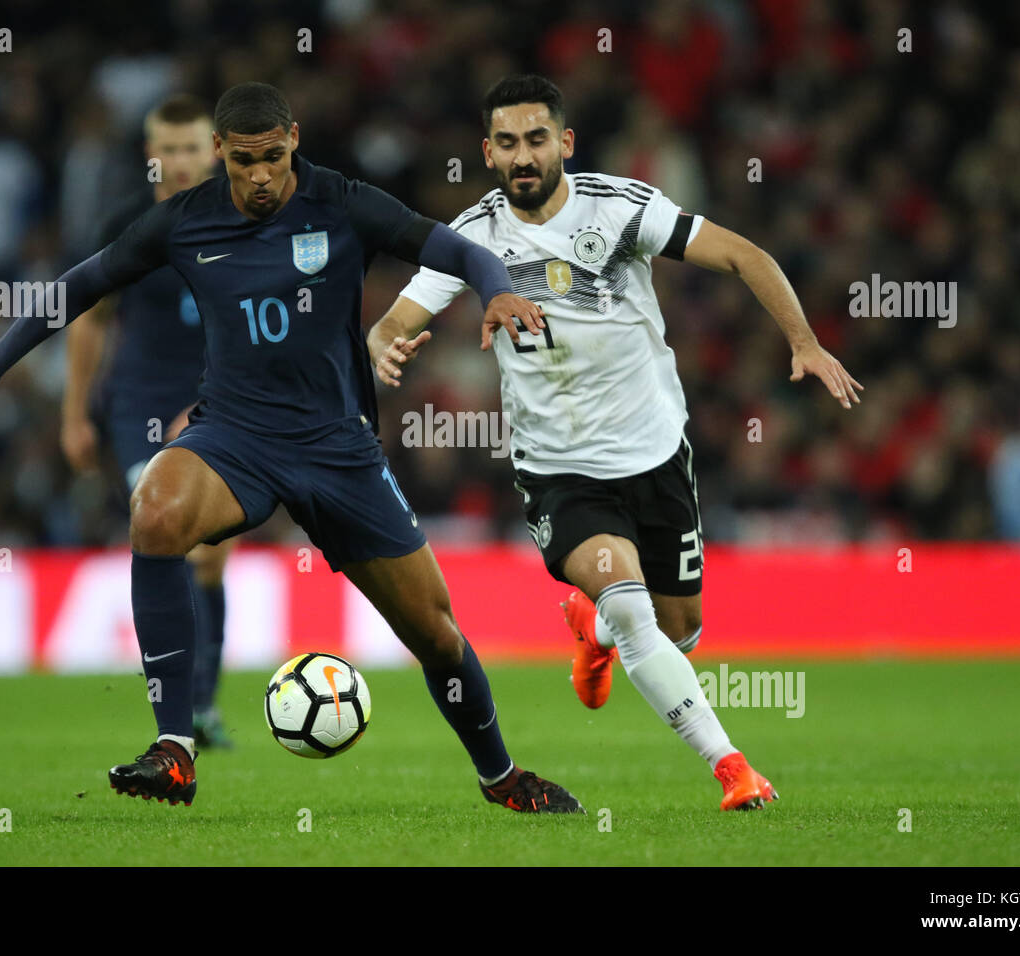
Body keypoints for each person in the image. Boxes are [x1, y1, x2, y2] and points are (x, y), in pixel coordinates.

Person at [0, 81, 581, 814]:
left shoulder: (343, 202)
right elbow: (81, 285)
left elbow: (456, 248)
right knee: (154, 511)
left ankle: (501, 777)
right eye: (244, 161)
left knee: (438, 636)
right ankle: (175, 749)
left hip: (337, 448)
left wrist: (498, 291)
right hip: (235, 436)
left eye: (273, 158)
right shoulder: (183, 221)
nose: (259, 176)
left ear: (293, 140)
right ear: (221, 152)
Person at [369, 74, 863, 810]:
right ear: (488, 153)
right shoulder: (471, 237)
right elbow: (394, 319)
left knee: (681, 632)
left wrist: (804, 343)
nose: (523, 156)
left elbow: (744, 255)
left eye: (537, 139)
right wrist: (384, 345)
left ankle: (589, 624)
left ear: (565, 142)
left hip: (656, 455)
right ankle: (733, 769)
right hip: (561, 471)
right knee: (637, 614)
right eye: (507, 143)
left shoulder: (623, 208)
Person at [61, 93, 235, 749]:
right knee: (177, 533)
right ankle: (181, 709)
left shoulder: (242, 220)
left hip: (219, 399)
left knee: (212, 553)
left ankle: (202, 704)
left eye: (193, 148)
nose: (181, 161)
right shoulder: (127, 223)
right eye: (169, 149)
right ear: (150, 154)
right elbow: (90, 319)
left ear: (215, 153)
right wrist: (76, 412)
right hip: (141, 400)